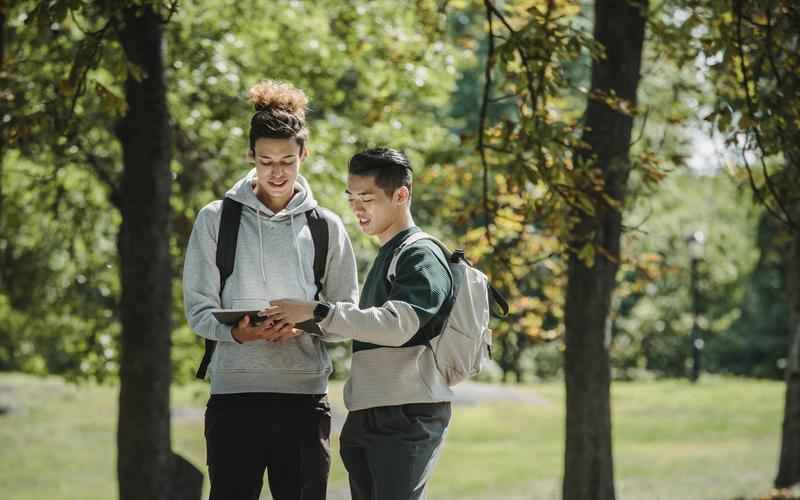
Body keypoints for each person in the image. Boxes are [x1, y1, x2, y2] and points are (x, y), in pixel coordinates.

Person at [182, 80, 359, 500]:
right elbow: (199, 311)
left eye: (286, 160)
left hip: (303, 398)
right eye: (265, 161)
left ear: (303, 156)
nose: (276, 172)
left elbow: (346, 314)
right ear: (251, 158)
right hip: (233, 397)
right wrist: (241, 332)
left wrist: (307, 323)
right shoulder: (215, 221)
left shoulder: (326, 227)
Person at [269, 148, 454, 500]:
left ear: (401, 195)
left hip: (406, 414)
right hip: (370, 411)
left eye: (367, 198)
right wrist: (302, 322)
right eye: (351, 198)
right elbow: (364, 326)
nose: (356, 208)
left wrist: (318, 311)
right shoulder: (390, 252)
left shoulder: (420, 254)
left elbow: (400, 324)